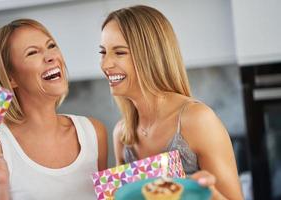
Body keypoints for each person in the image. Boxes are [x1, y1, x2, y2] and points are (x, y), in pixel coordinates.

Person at [99, 5, 243, 200]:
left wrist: (210, 193)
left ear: (150, 55)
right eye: (103, 52)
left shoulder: (197, 120)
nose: (105, 64)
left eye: (120, 52)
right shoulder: (122, 134)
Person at [0, 19, 108, 200]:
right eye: (32, 52)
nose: (51, 56)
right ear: (10, 79)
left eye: (51, 46)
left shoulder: (94, 132)